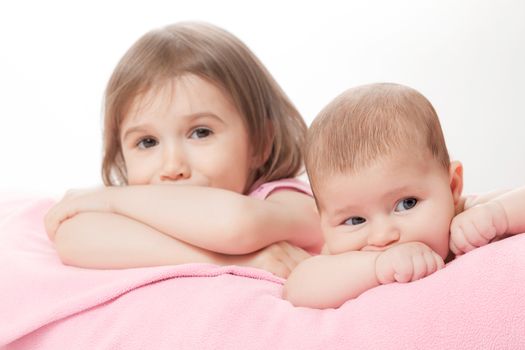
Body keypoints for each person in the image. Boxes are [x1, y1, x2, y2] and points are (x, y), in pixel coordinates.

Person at [44, 22, 324, 278]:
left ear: (260, 143)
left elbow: (237, 225)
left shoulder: (286, 198)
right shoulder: (144, 207)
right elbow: (73, 238)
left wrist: (112, 200)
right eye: (147, 142)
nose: (172, 166)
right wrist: (238, 261)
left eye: (201, 132)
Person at [283, 82, 525, 308]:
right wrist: (377, 267)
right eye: (355, 220)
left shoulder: (463, 217)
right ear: (322, 221)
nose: (383, 236)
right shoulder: (341, 259)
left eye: (406, 204)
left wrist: (496, 215)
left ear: (452, 186)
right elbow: (296, 289)